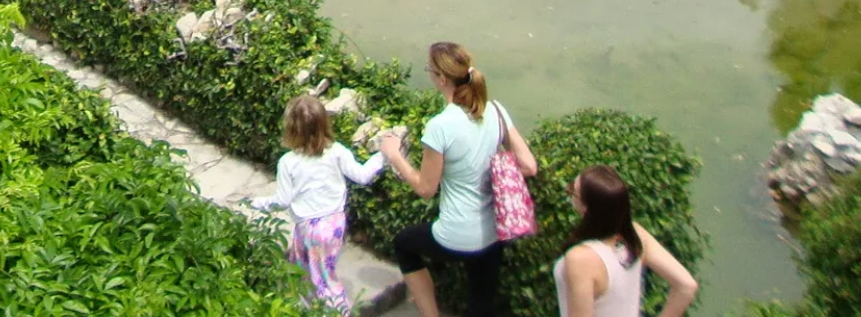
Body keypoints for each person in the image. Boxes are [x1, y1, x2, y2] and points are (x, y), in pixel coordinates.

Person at [377, 42, 538, 317]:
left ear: (441, 79)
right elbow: (529, 166)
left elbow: (426, 188)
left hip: (455, 236)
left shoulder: (440, 126)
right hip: (494, 234)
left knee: (404, 244)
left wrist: (394, 155)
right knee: (480, 304)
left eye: (430, 69)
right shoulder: (496, 111)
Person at [254, 94, 385, 313]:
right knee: (326, 274)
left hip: (308, 230)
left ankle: (331, 311)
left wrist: (259, 203)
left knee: (307, 279)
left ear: (291, 129)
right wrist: (383, 156)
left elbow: (283, 201)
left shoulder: (288, 162)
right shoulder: (337, 151)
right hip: (334, 225)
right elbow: (362, 175)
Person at [554, 165, 699, 317]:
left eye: (572, 191)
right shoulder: (636, 235)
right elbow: (686, 286)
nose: (569, 193)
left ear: (587, 208)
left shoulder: (580, 258)